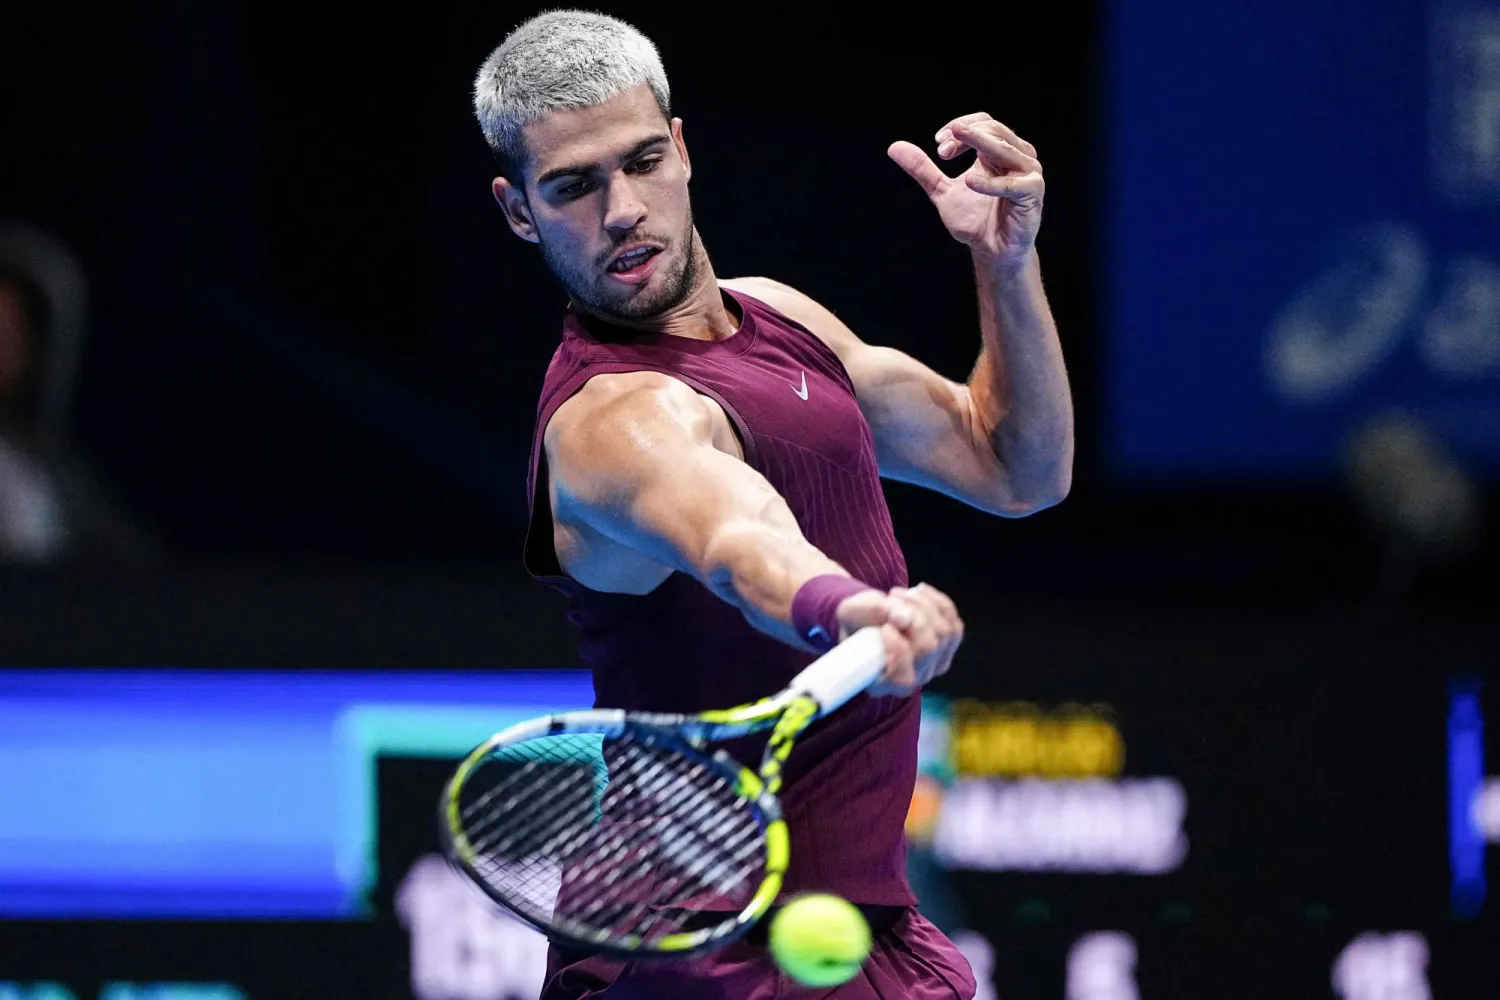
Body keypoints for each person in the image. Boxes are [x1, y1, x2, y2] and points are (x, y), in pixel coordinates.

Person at [473, 11, 1073, 999]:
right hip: (698, 943)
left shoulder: (782, 319)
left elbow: (1014, 465)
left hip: (855, 924)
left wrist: (1006, 264)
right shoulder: (610, 420)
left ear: (682, 148)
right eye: (573, 186)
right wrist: (851, 612)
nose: (622, 209)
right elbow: (737, 539)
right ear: (519, 211)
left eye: (640, 162)